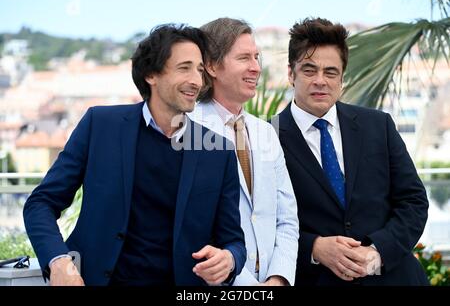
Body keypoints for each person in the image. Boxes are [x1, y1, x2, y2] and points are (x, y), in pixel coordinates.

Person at [23, 24, 246, 286]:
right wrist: (59, 261)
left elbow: (234, 241)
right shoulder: (100, 125)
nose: (196, 81)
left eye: (199, 70)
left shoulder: (219, 151)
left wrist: (229, 259)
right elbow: (41, 204)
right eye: (184, 68)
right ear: (152, 74)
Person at [272, 17, 429, 285]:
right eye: (309, 70)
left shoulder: (378, 125)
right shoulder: (266, 137)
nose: (320, 81)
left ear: (342, 77)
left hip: (394, 277)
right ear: (291, 73)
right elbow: (260, 223)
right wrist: (314, 248)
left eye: (330, 72)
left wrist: (378, 251)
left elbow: (413, 201)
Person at [189, 18, 299, 286]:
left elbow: (287, 218)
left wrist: (279, 279)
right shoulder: (188, 132)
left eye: (257, 57)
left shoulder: (266, 133)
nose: (255, 68)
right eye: (244, 58)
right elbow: (192, 227)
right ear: (212, 66)